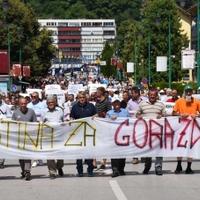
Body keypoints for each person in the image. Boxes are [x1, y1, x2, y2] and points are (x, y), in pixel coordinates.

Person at [136, 88, 166, 175]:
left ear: (157, 96)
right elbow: (137, 114)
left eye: (154, 95)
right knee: (147, 149)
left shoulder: (161, 104)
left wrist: (161, 115)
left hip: (158, 131)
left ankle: (158, 167)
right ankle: (147, 166)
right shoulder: (142, 104)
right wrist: (139, 116)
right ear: (148, 95)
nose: (152, 96)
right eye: (151, 95)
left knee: (159, 150)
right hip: (146, 131)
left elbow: (165, 115)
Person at [172, 85, 200, 174]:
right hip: (181, 127)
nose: (188, 93)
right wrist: (180, 115)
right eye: (187, 91)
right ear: (184, 92)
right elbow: (173, 113)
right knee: (180, 146)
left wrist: (197, 115)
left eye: (190, 91)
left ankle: (189, 167)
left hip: (193, 128)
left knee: (191, 147)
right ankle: (179, 165)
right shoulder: (179, 101)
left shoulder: (196, 101)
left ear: (192, 92)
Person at [70, 91, 97, 177]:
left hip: (89, 133)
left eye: (83, 97)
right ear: (78, 98)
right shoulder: (74, 107)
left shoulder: (91, 106)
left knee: (89, 152)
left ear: (86, 98)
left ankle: (90, 170)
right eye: (80, 97)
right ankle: (80, 170)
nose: (82, 99)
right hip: (78, 133)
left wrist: (95, 116)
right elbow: (71, 117)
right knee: (78, 153)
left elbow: (96, 114)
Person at [12, 97, 37, 181]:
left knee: (27, 155)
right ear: (19, 104)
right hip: (19, 138)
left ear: (27, 103)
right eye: (22, 103)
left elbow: (35, 123)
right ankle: (23, 171)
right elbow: (12, 125)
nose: (23, 105)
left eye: (25, 103)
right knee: (21, 156)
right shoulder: (15, 113)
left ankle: (27, 171)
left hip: (28, 137)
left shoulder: (31, 112)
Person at [106, 100, 130, 177]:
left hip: (123, 135)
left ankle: (121, 169)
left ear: (120, 105)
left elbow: (130, 121)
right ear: (112, 105)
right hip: (113, 135)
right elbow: (105, 123)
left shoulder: (125, 112)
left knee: (123, 153)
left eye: (118, 104)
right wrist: (110, 119)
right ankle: (115, 169)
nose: (117, 106)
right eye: (115, 104)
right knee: (114, 153)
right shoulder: (109, 113)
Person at [42, 96, 64, 179]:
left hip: (59, 136)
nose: (51, 104)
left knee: (61, 155)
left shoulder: (60, 110)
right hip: (48, 136)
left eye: (52, 102)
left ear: (55, 103)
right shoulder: (44, 112)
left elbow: (63, 121)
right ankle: (52, 172)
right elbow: (41, 123)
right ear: (47, 103)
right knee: (50, 155)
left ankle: (59, 166)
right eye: (49, 102)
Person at [127, 86, 146, 164]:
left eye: (133, 93)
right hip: (134, 125)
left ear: (137, 93)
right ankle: (135, 157)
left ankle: (144, 156)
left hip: (144, 124)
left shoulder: (145, 100)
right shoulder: (130, 102)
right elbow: (127, 112)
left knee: (144, 140)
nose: (131, 95)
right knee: (135, 141)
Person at [28, 92, 46, 167]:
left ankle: (40, 158)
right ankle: (35, 159)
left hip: (40, 125)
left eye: (35, 96)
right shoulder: (29, 105)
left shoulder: (42, 104)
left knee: (39, 143)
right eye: (32, 96)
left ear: (38, 97)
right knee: (33, 143)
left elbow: (43, 114)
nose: (33, 97)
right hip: (31, 126)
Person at [95, 87, 112, 170]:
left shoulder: (107, 102)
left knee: (104, 143)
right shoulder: (97, 101)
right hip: (97, 124)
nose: (96, 93)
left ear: (101, 92)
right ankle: (94, 162)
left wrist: (103, 114)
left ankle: (103, 162)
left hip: (104, 124)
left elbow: (110, 113)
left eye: (97, 91)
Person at [0, 94, 12, 168]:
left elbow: (9, 116)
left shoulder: (6, 106)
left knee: (2, 145)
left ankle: (1, 162)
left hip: (3, 128)